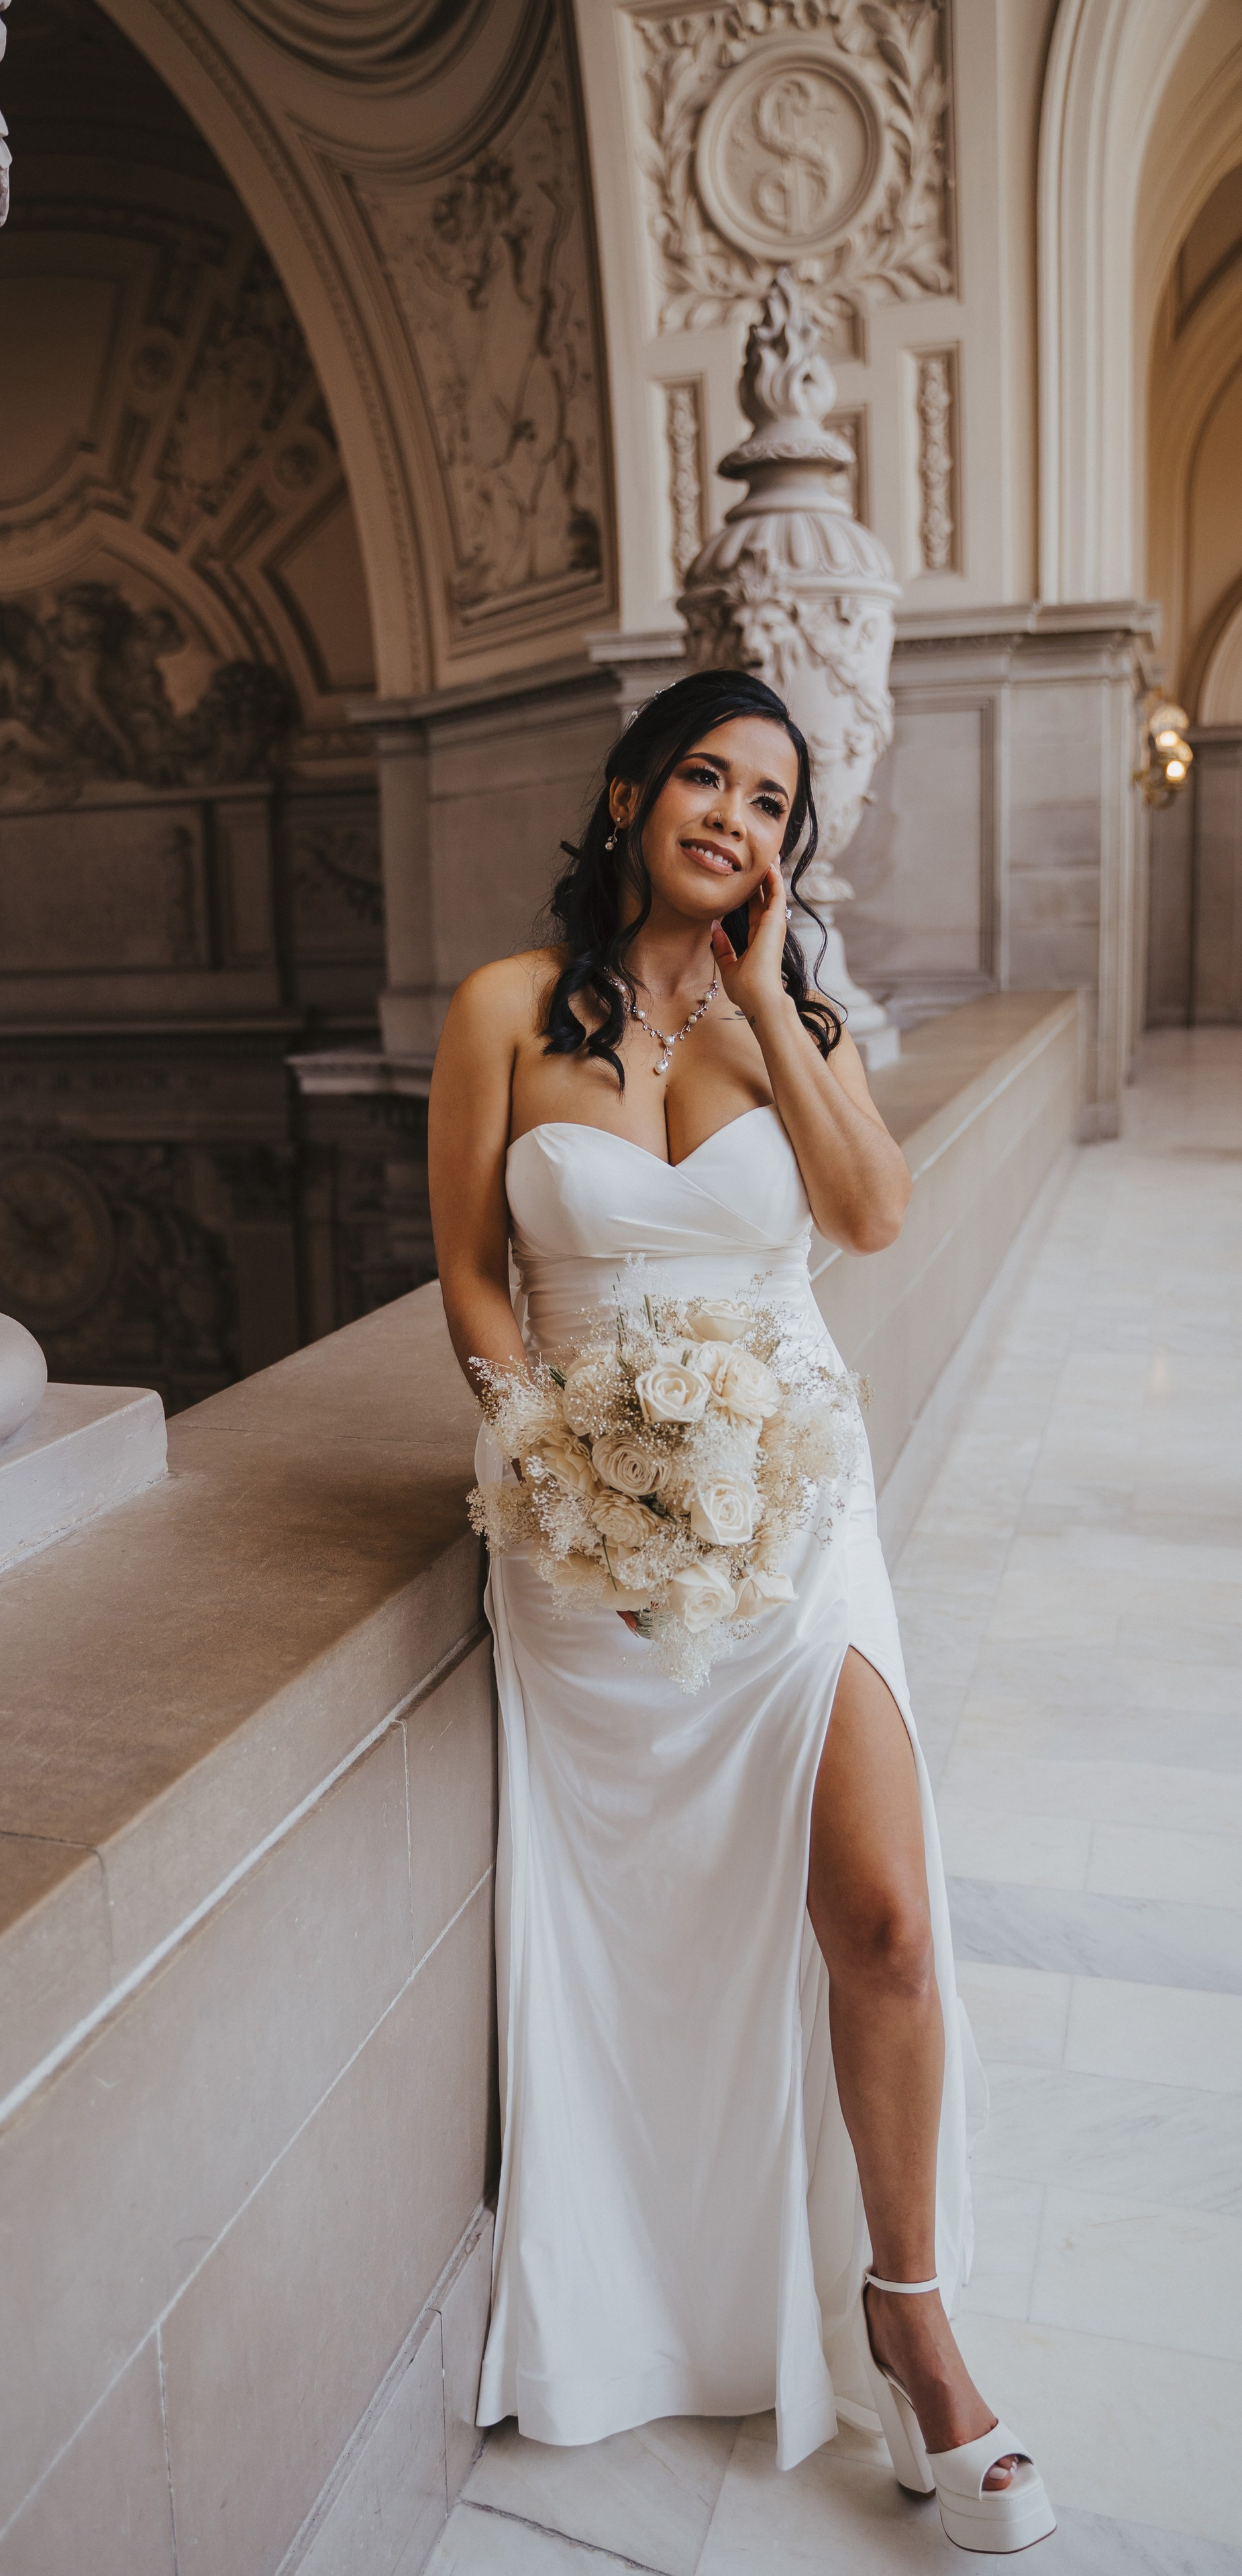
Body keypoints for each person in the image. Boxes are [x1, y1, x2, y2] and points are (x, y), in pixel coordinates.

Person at [427, 669, 1054, 2555]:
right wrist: (548, 1459)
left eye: (773, 802)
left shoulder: (806, 1017)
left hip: (797, 1516)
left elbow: (870, 1218)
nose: (735, 818)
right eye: (705, 777)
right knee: (650, 1942)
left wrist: (774, 1004)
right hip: (579, 1546)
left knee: (883, 1913)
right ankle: (661, 2295)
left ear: (791, 849)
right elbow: (469, 1275)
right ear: (630, 795)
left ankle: (912, 2315)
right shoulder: (506, 1013)